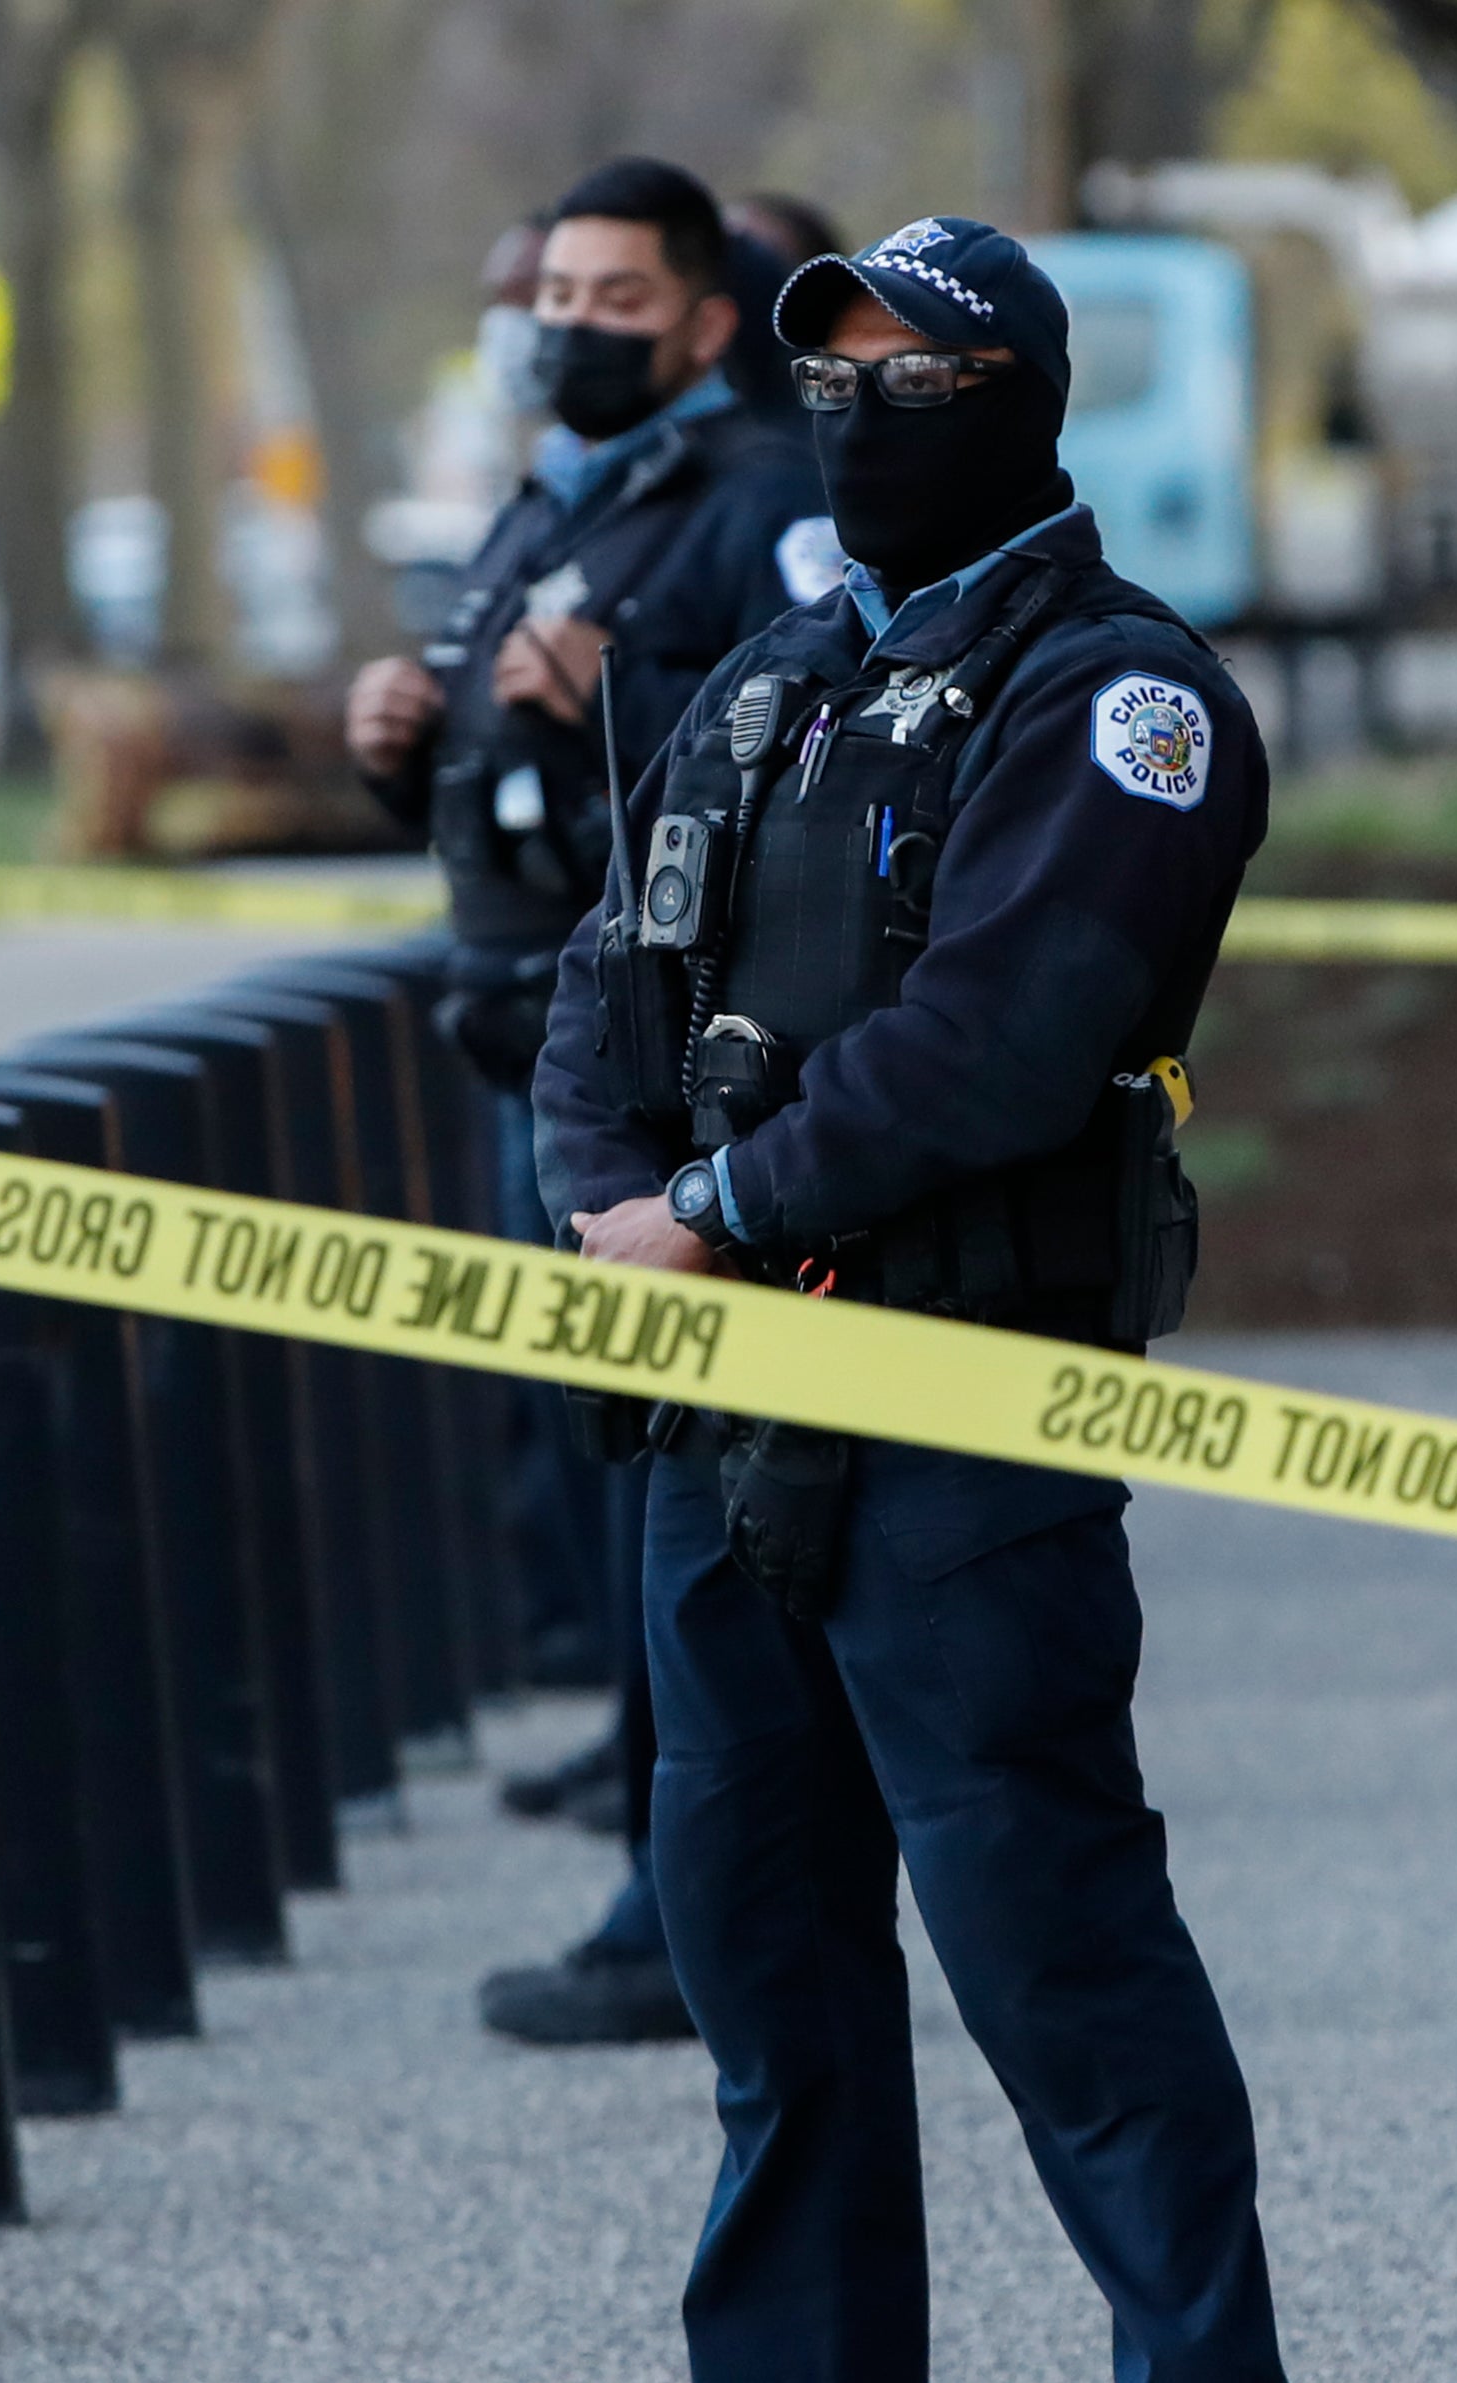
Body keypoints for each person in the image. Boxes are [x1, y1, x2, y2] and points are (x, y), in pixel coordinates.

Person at [521, 217, 1300, 2383]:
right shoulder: (776, 679)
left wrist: (716, 1204)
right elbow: (604, 987)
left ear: (1020, 402)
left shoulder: (1120, 698)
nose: (857, 419)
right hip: (728, 1395)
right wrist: (609, 1204)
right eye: (827, 381)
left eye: (911, 380)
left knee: (1046, 1924)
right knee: (752, 1926)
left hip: (959, 1403)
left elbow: (1005, 1035)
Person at [343, 155, 823, 2048]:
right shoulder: (562, 492)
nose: (574, 331)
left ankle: (674, 1915)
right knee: (615, 1492)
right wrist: (407, 745)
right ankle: (673, 1883)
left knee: (668, 1509)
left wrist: (635, 679)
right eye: (559, 298)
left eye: (619, 303)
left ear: (705, 322)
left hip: (646, 1069)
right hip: (530, 1046)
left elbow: (814, 745)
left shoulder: (760, 498)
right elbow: (509, 764)